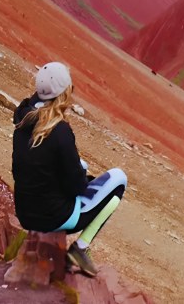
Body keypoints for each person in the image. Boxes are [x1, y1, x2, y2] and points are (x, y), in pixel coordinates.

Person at [11, 62, 127, 277]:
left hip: (26, 212)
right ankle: (80, 249)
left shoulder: (22, 120)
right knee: (119, 179)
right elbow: (76, 187)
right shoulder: (60, 130)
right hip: (55, 217)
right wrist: (84, 176)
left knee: (80, 168)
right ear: (64, 93)